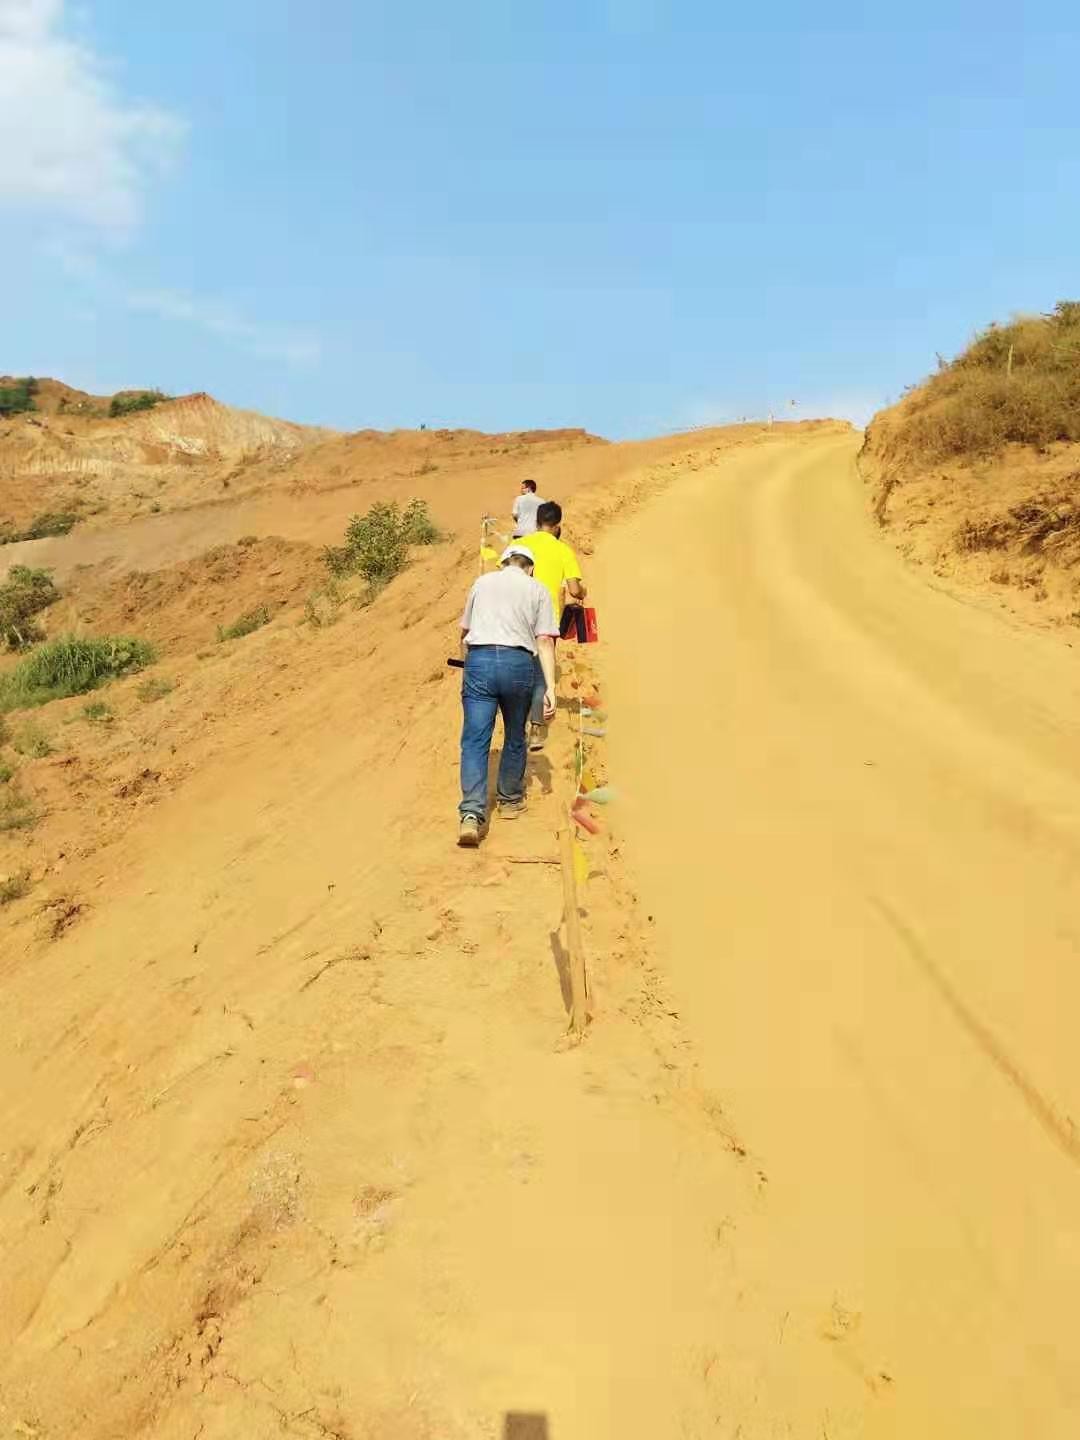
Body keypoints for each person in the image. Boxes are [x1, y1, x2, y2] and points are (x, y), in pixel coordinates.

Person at [457, 545, 558, 848]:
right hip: (518, 664)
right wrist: (550, 687)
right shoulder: (537, 589)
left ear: (503, 563)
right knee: (515, 734)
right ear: (531, 568)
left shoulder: (482, 582)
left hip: (480, 660)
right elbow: (544, 641)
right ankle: (510, 800)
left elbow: (464, 633)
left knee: (475, 740)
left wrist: (468, 668)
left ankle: (471, 814)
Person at [517, 501, 587, 751]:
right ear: (557, 526)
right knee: (539, 671)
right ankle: (536, 726)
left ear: (537, 522)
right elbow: (574, 590)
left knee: (520, 665)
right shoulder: (563, 550)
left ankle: (516, 724)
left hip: (518, 616)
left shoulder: (519, 546)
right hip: (547, 619)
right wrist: (583, 592)